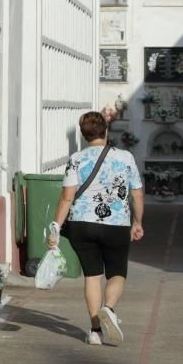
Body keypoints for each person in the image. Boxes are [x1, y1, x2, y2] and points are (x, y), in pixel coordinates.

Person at [48, 110, 145, 345]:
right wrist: (138, 222)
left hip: (82, 224)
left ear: (83, 135)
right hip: (116, 225)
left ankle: (94, 331)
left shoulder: (76, 159)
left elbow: (67, 198)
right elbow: (137, 194)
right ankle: (109, 309)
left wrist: (55, 228)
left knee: (92, 277)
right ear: (106, 131)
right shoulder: (125, 158)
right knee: (117, 273)